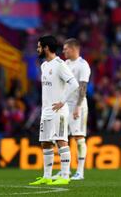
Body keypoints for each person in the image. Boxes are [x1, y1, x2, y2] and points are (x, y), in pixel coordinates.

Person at [29, 35, 79, 186]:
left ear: (46, 48)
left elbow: (74, 84)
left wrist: (62, 101)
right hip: (46, 110)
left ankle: (64, 175)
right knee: (45, 142)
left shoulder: (60, 64)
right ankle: (47, 176)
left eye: (39, 47)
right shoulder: (44, 65)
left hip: (58, 111)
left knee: (61, 141)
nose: (37, 49)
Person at [52, 38, 91, 180]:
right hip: (64, 106)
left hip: (77, 105)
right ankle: (65, 171)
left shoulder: (83, 65)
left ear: (74, 49)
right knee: (60, 137)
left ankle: (80, 172)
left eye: (65, 48)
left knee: (79, 138)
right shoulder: (66, 64)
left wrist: (78, 107)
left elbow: (83, 88)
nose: (63, 51)